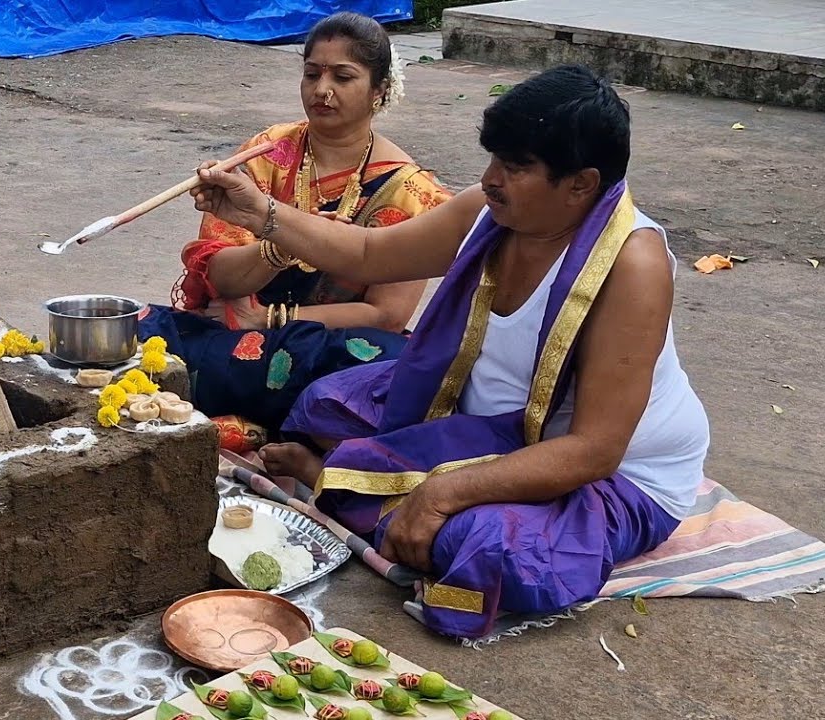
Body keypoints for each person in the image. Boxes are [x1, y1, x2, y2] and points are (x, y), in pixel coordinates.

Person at [190, 64, 710, 639]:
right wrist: (258, 212)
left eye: (514, 168)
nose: (490, 180)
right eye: (492, 160)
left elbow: (593, 451)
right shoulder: (490, 212)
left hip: (609, 475)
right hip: (484, 425)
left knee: (491, 551)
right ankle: (356, 486)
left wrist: (444, 492)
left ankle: (340, 483)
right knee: (325, 402)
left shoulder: (632, 265)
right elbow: (369, 256)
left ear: (581, 185)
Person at [137, 11, 451, 436]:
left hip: (323, 343)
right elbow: (220, 278)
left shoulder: (409, 190)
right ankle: (289, 425)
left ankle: (237, 414)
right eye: (311, 74)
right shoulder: (264, 153)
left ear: (379, 89)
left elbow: (385, 315)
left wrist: (271, 319)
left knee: (387, 364)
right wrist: (277, 248)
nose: (322, 90)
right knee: (134, 331)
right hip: (229, 332)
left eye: (343, 77)